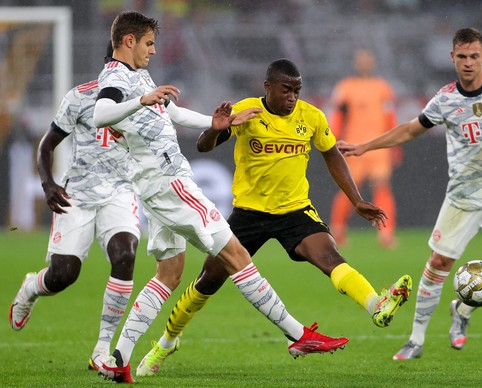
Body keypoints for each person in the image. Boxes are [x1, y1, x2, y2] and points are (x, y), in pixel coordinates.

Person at [92, 11, 349, 383]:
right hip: (169, 180)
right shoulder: (116, 76)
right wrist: (142, 100)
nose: (153, 50)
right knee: (236, 255)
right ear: (128, 41)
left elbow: (172, 111)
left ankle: (119, 357)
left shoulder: (137, 75)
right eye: (149, 43)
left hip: (152, 185)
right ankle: (298, 335)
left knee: (169, 273)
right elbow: (102, 113)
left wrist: (214, 125)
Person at [135, 58, 413, 377]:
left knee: (330, 256)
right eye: (286, 90)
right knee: (208, 280)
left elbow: (332, 153)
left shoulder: (311, 116)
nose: (293, 97)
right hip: (248, 215)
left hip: (294, 211)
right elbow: (203, 145)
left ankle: (375, 305)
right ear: (268, 87)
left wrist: (358, 200)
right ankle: (166, 343)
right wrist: (216, 128)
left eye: (297, 90)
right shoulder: (247, 110)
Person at [337, 27, 482, 360]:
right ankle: (416, 339)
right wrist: (366, 146)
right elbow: (411, 128)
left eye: (474, 56)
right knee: (438, 262)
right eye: (462, 57)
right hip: (462, 197)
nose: (468, 63)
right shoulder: (446, 99)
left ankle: (463, 311)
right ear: (452, 57)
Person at [8, 44, 140, 369]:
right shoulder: (80, 96)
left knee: (125, 254)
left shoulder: (144, 99)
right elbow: (47, 145)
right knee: (64, 275)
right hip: (77, 195)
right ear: (109, 63)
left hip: (120, 193)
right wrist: (48, 184)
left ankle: (102, 350)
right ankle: (31, 287)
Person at [328, 48, 400, 248]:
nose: (364, 64)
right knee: (349, 189)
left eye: (367, 60)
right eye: (361, 61)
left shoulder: (382, 87)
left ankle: (386, 233)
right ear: (356, 63)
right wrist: (333, 140)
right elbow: (338, 117)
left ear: (373, 63)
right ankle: (338, 230)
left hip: (378, 147)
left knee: (382, 186)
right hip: (353, 146)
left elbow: (390, 118)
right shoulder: (346, 87)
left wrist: (395, 144)